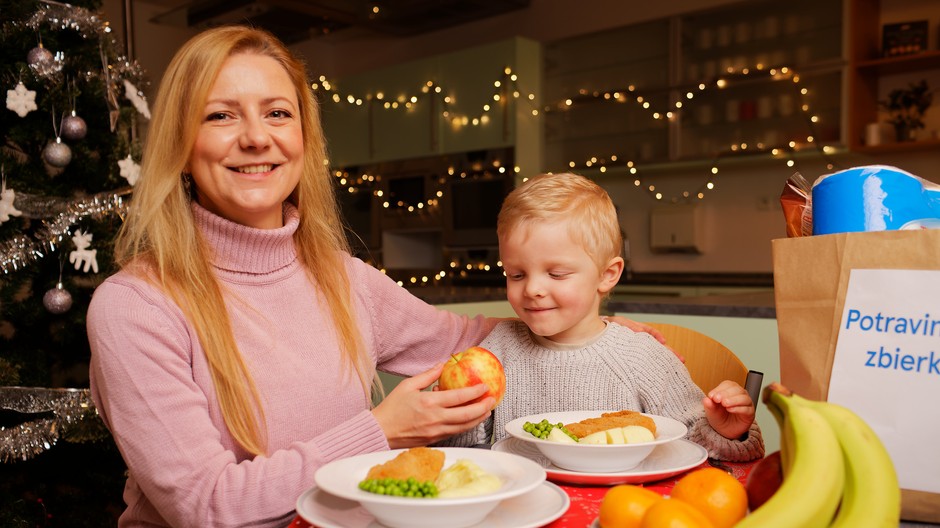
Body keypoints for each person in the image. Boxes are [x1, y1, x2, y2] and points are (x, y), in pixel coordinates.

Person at [86, 26, 663, 527]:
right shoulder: (136, 308)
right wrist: (381, 430)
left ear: (303, 139)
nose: (257, 137)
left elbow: (470, 340)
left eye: (278, 113)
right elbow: (204, 506)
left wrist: (589, 324)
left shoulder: (344, 279)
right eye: (220, 115)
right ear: (181, 145)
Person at [439, 173, 764, 461]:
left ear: (607, 275)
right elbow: (462, 455)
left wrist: (728, 431)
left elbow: (697, 447)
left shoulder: (643, 357)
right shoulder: (498, 350)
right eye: (516, 274)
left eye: (556, 273)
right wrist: (450, 414)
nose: (533, 289)